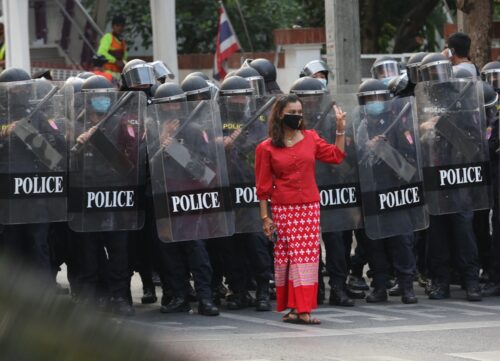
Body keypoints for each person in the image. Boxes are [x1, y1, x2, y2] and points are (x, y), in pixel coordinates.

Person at [255, 94, 346, 324]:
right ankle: (295, 308)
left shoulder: (311, 138)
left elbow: (336, 156)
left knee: (306, 257)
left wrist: (340, 129)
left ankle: (303, 309)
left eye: (299, 113)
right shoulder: (266, 148)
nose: (297, 116)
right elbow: (263, 188)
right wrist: (266, 218)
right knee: (288, 257)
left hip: (309, 207)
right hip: (284, 208)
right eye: (292, 113)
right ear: (280, 114)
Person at [97, 15, 127, 80]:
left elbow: (124, 58)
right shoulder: (108, 37)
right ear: (113, 26)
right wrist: (115, 61)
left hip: (119, 74)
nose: (119, 28)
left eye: (122, 26)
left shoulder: (123, 42)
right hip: (108, 73)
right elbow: (101, 53)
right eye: (117, 25)